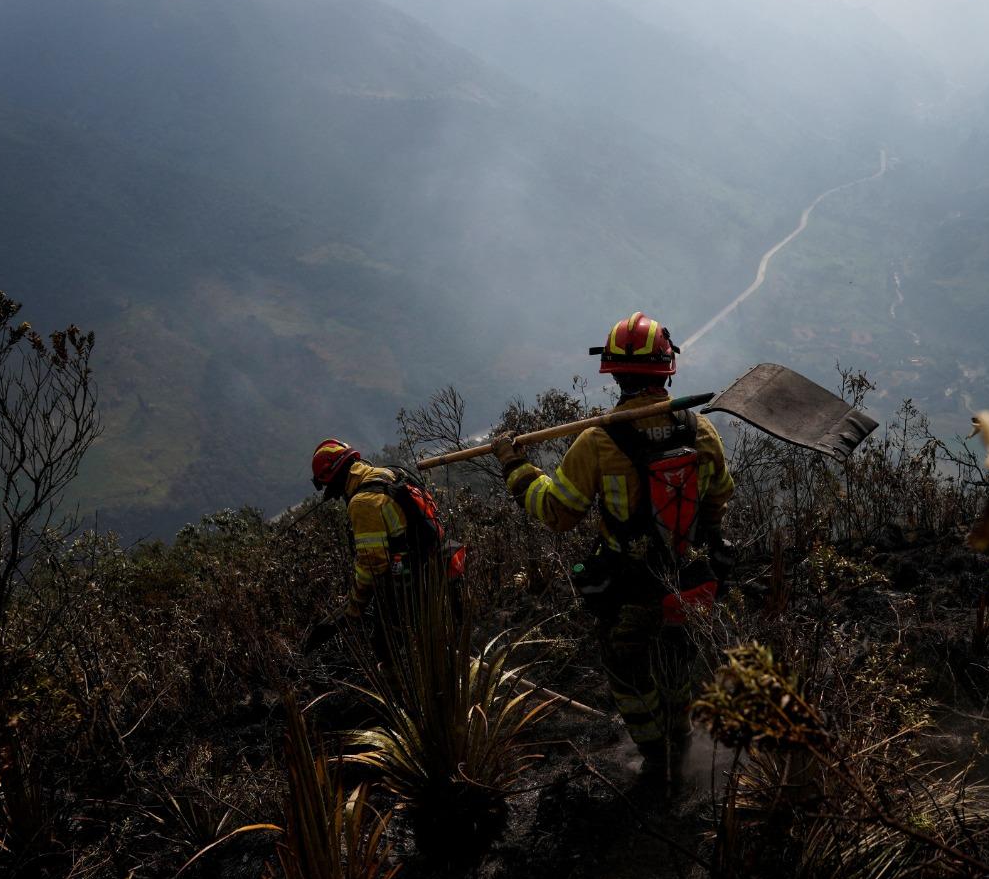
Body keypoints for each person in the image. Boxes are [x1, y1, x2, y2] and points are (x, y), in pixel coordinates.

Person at [492, 312, 735, 787]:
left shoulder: (598, 442)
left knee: (628, 673)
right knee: (679, 657)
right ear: (668, 370)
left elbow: (557, 512)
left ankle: (654, 760)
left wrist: (514, 465)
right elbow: (719, 495)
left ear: (615, 374)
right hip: (687, 578)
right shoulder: (701, 431)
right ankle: (682, 744)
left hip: (627, 584)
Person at [307, 437, 460, 662]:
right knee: (440, 638)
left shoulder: (363, 502)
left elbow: (372, 564)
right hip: (433, 559)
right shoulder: (385, 474)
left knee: (385, 648)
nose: (337, 495)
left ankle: (402, 689)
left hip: (411, 580)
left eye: (331, 487)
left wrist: (355, 606)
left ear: (334, 478)